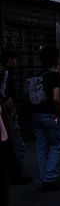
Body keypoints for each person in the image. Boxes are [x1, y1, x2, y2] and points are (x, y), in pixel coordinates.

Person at [30, 46, 60, 192]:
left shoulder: (40, 75)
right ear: (54, 60)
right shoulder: (55, 76)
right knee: (57, 145)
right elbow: (56, 98)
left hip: (36, 115)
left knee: (41, 147)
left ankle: (42, 178)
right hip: (50, 116)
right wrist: (59, 114)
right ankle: (50, 178)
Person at [0, 50, 28, 184]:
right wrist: (13, 110)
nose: (16, 62)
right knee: (16, 144)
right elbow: (5, 94)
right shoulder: (5, 73)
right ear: (10, 60)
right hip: (6, 114)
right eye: (15, 59)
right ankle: (16, 174)